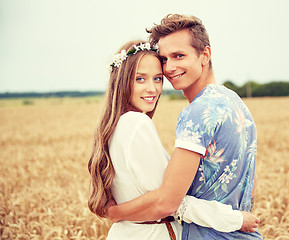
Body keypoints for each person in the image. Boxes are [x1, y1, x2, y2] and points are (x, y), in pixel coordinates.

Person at [104, 14, 263, 239]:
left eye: (179, 56)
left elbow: (168, 201)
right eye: (165, 59)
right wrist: (238, 216)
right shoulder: (236, 102)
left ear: (204, 55)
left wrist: (115, 211)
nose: (170, 68)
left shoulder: (197, 112)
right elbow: (251, 178)